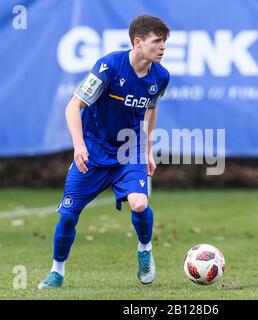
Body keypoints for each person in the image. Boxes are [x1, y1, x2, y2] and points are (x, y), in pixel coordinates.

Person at [38, 15, 170, 289]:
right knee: (68, 215)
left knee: (140, 203)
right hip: (94, 153)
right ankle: (57, 271)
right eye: (157, 41)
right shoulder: (108, 67)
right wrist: (79, 145)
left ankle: (144, 249)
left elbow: (152, 108)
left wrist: (147, 151)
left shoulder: (161, 76)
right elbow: (73, 107)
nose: (162, 47)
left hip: (128, 151)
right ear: (138, 42)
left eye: (164, 42)